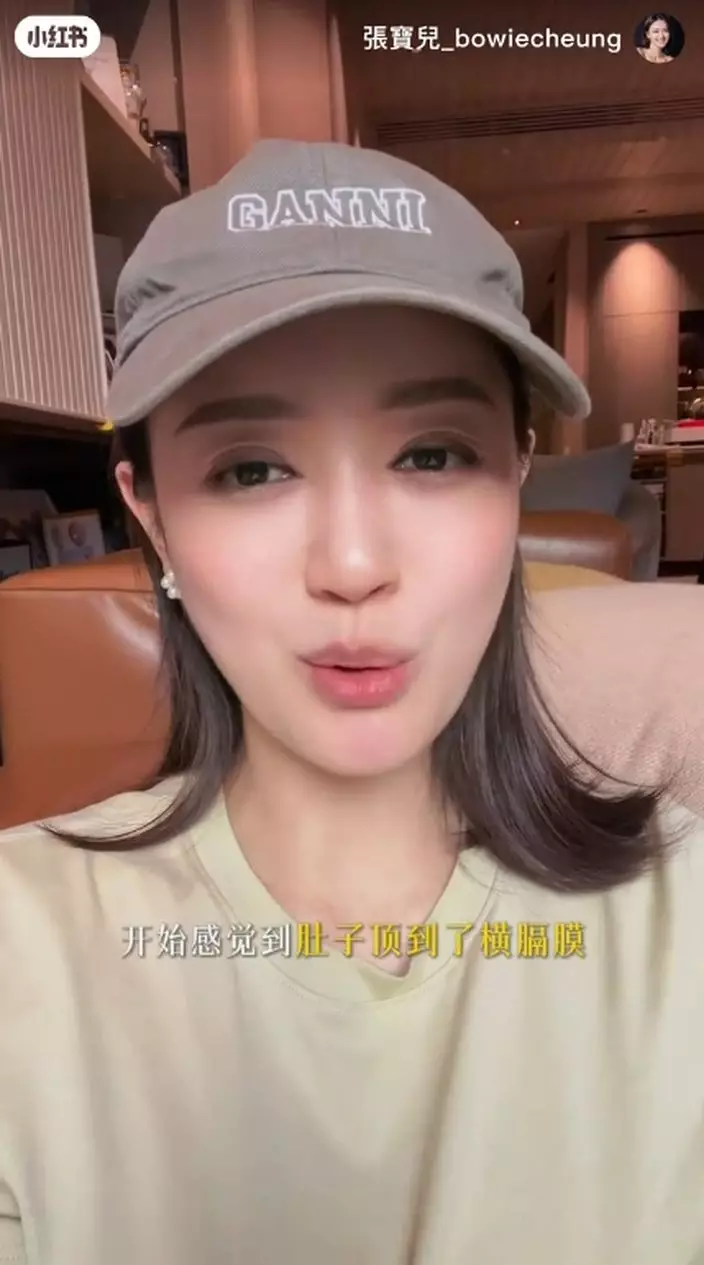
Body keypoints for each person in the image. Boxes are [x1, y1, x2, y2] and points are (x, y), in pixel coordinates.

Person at [0, 140, 702, 1265]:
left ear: (517, 474)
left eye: (431, 454)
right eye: (250, 469)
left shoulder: (681, 923)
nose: (354, 564)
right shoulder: (21, 949)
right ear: (152, 513)